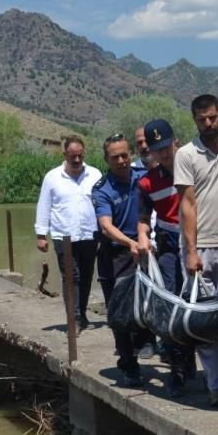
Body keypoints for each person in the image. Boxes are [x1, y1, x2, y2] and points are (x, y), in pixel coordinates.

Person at [174, 94, 218, 407]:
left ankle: (217, 376)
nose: (208, 124)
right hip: (199, 248)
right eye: (202, 119)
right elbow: (187, 204)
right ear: (194, 121)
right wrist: (191, 251)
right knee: (205, 319)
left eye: (213, 118)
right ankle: (216, 385)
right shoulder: (186, 155)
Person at [137, 119, 196, 397]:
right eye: (157, 149)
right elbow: (142, 219)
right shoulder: (147, 182)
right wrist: (142, 238)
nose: (164, 153)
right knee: (170, 302)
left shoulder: (196, 166)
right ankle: (178, 368)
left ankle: (202, 362)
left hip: (198, 240)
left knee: (198, 302)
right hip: (169, 244)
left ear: (177, 141)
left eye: (166, 146)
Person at [92, 134, 153, 387]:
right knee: (119, 313)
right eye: (115, 157)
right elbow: (106, 226)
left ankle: (146, 343)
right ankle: (129, 365)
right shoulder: (102, 189)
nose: (121, 160)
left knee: (149, 303)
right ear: (106, 159)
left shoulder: (143, 177)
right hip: (116, 254)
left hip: (146, 248)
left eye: (125, 155)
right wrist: (130, 243)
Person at [35, 136, 102, 330]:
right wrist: (41, 235)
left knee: (87, 275)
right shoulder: (53, 177)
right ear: (65, 154)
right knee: (71, 276)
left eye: (80, 156)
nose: (77, 160)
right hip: (64, 235)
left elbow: (102, 203)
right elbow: (44, 206)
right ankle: (74, 319)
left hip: (90, 234)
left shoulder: (95, 174)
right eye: (73, 156)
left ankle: (82, 315)